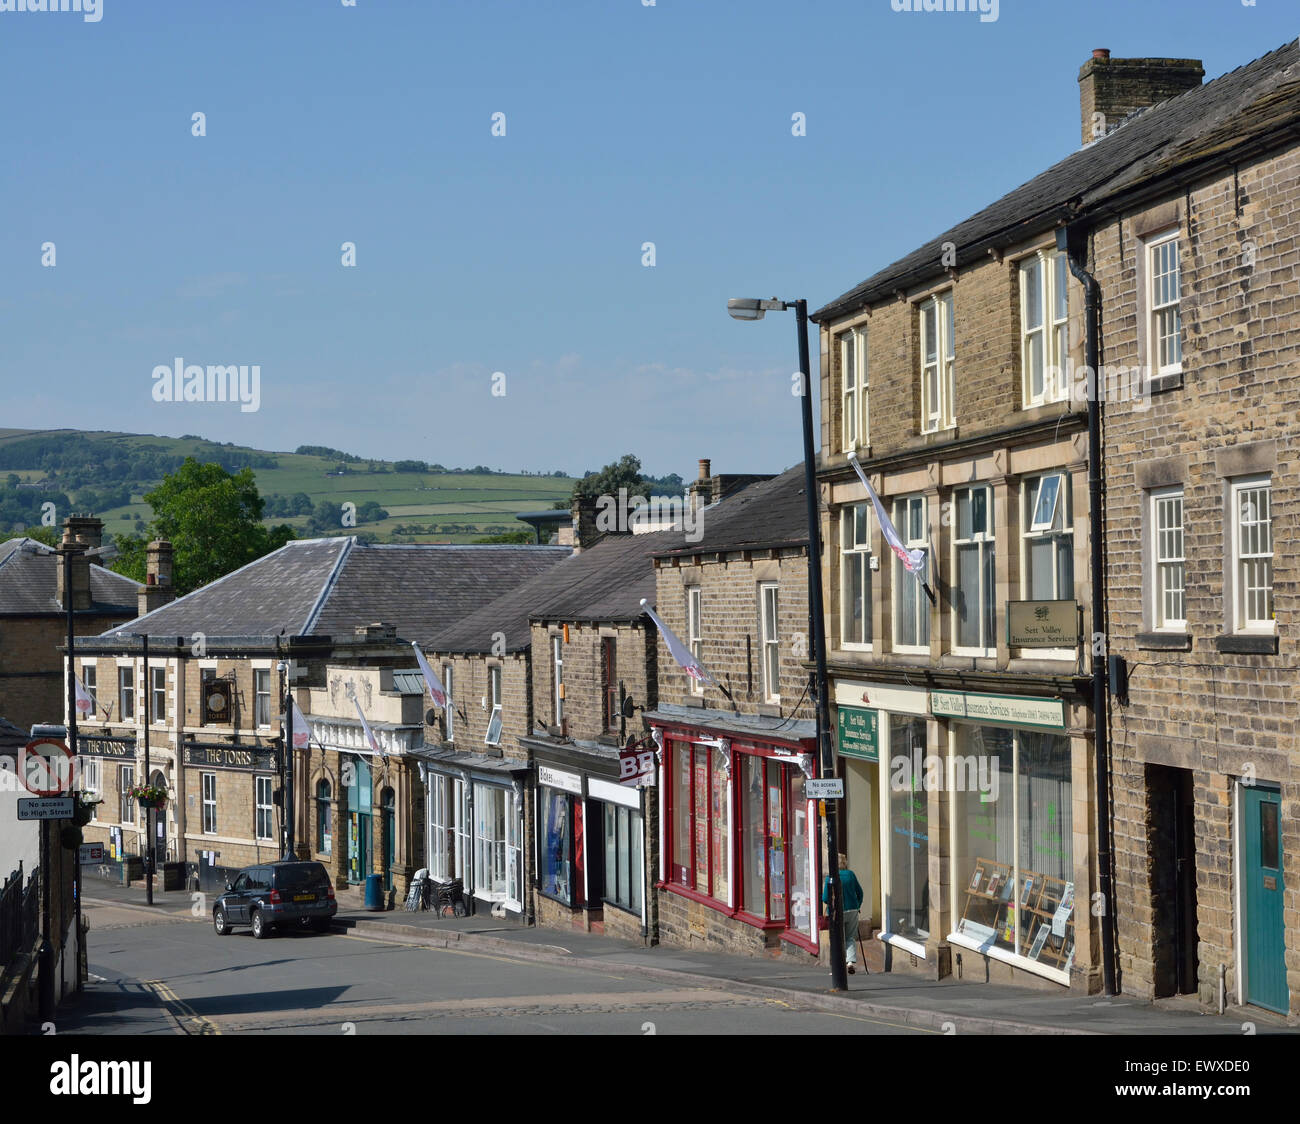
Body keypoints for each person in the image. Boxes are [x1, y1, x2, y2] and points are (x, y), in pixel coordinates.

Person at [822, 853, 865, 974]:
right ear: (844, 862)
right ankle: (850, 962)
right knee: (849, 937)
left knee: (837, 939)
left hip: (837, 913)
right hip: (852, 910)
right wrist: (857, 905)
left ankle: (838, 968)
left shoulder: (830, 878)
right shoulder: (851, 875)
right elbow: (860, 893)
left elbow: (825, 898)